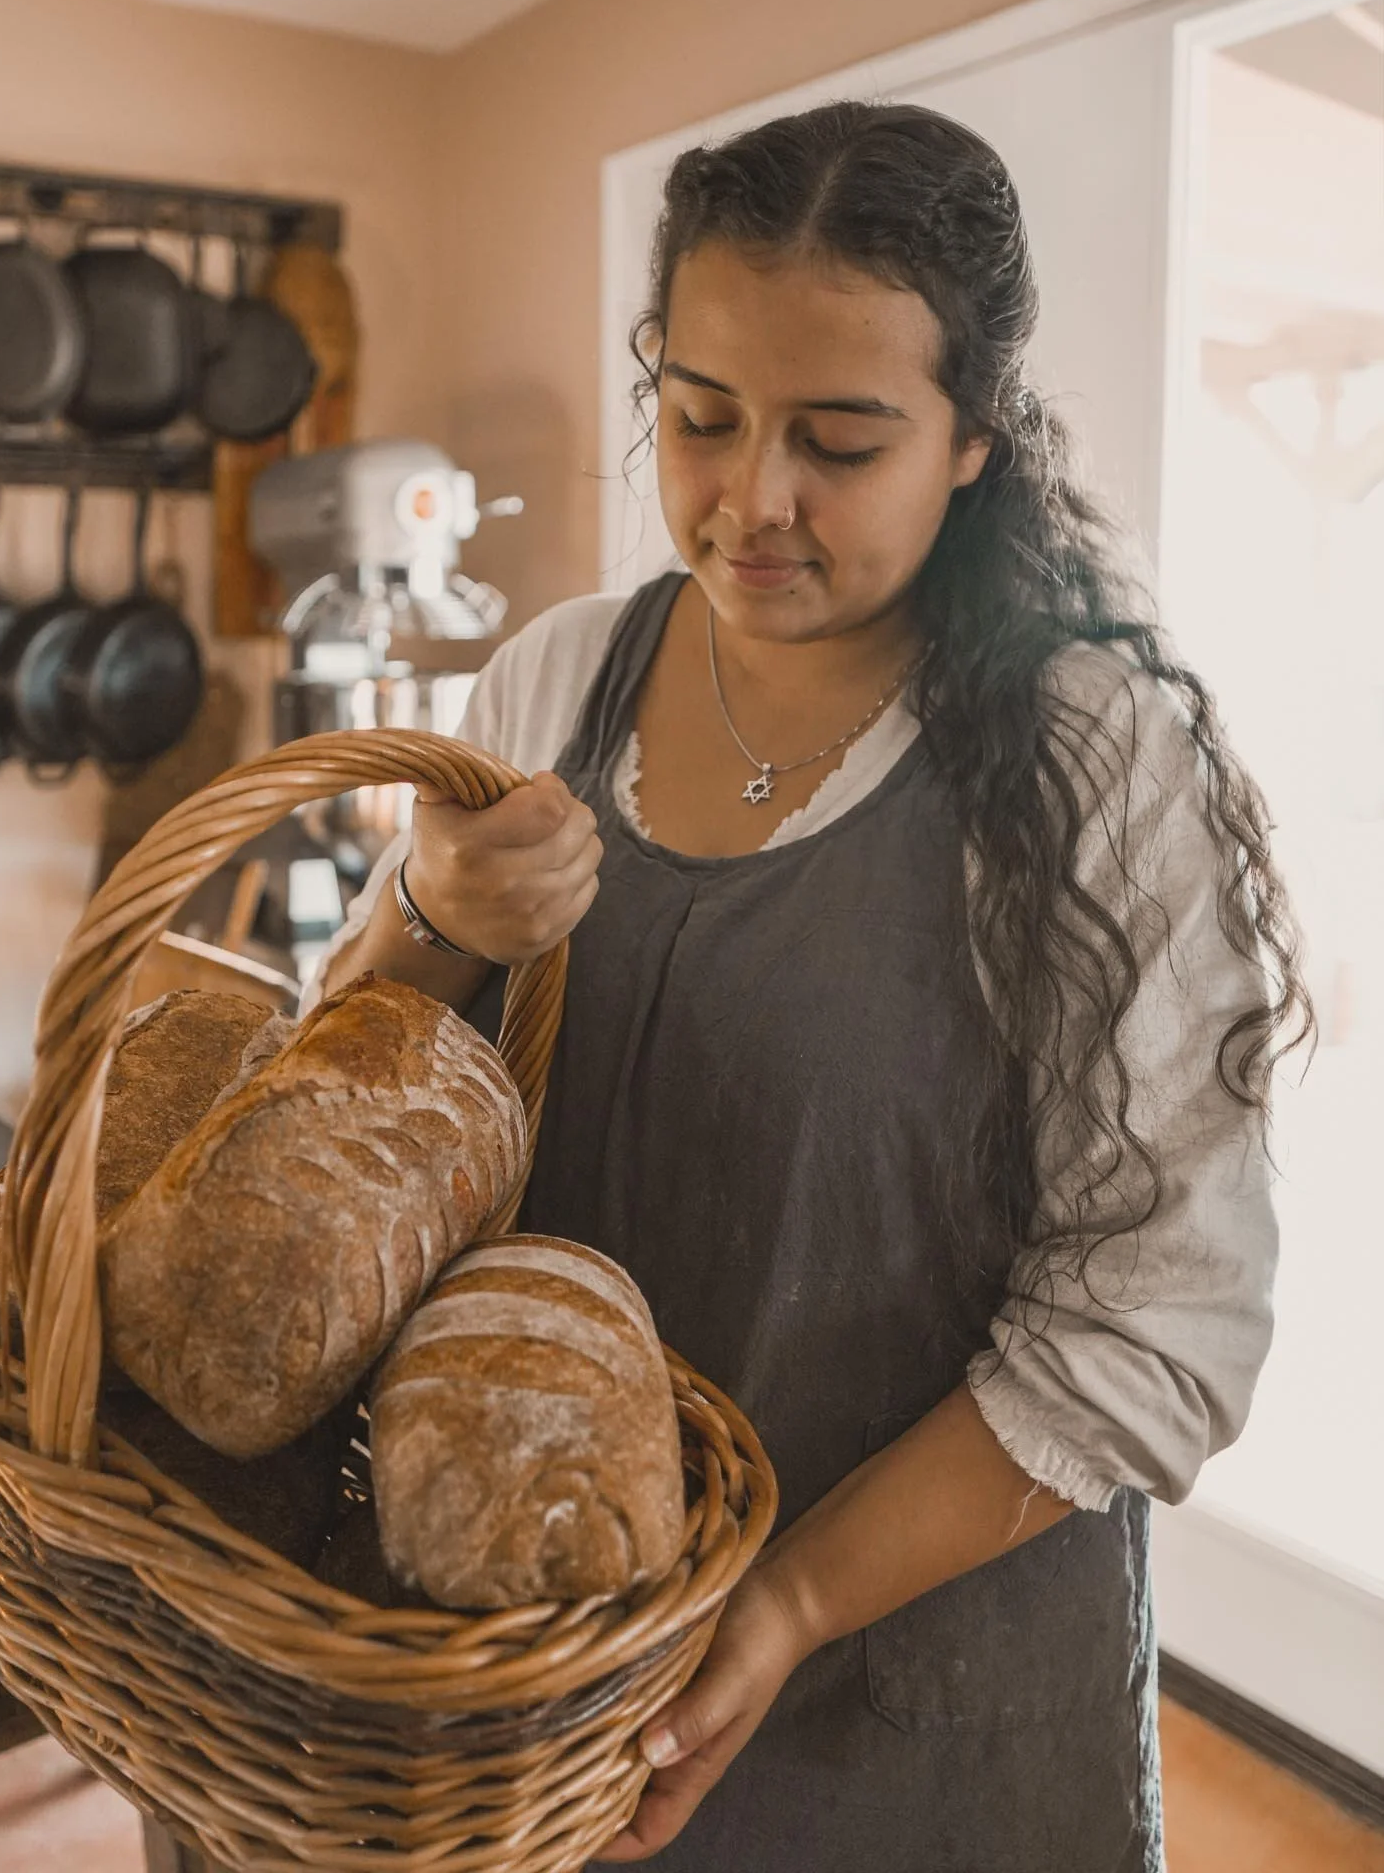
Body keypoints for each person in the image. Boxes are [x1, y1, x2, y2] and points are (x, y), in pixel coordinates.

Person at [308, 101, 1311, 1872]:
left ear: (974, 441)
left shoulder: (1089, 763)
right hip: (544, 1674)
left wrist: (780, 1605)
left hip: (915, 1696)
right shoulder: (559, 681)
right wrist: (426, 915)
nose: (748, 500)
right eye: (698, 418)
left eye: (839, 442)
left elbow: (1159, 1316)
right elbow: (358, 1118)